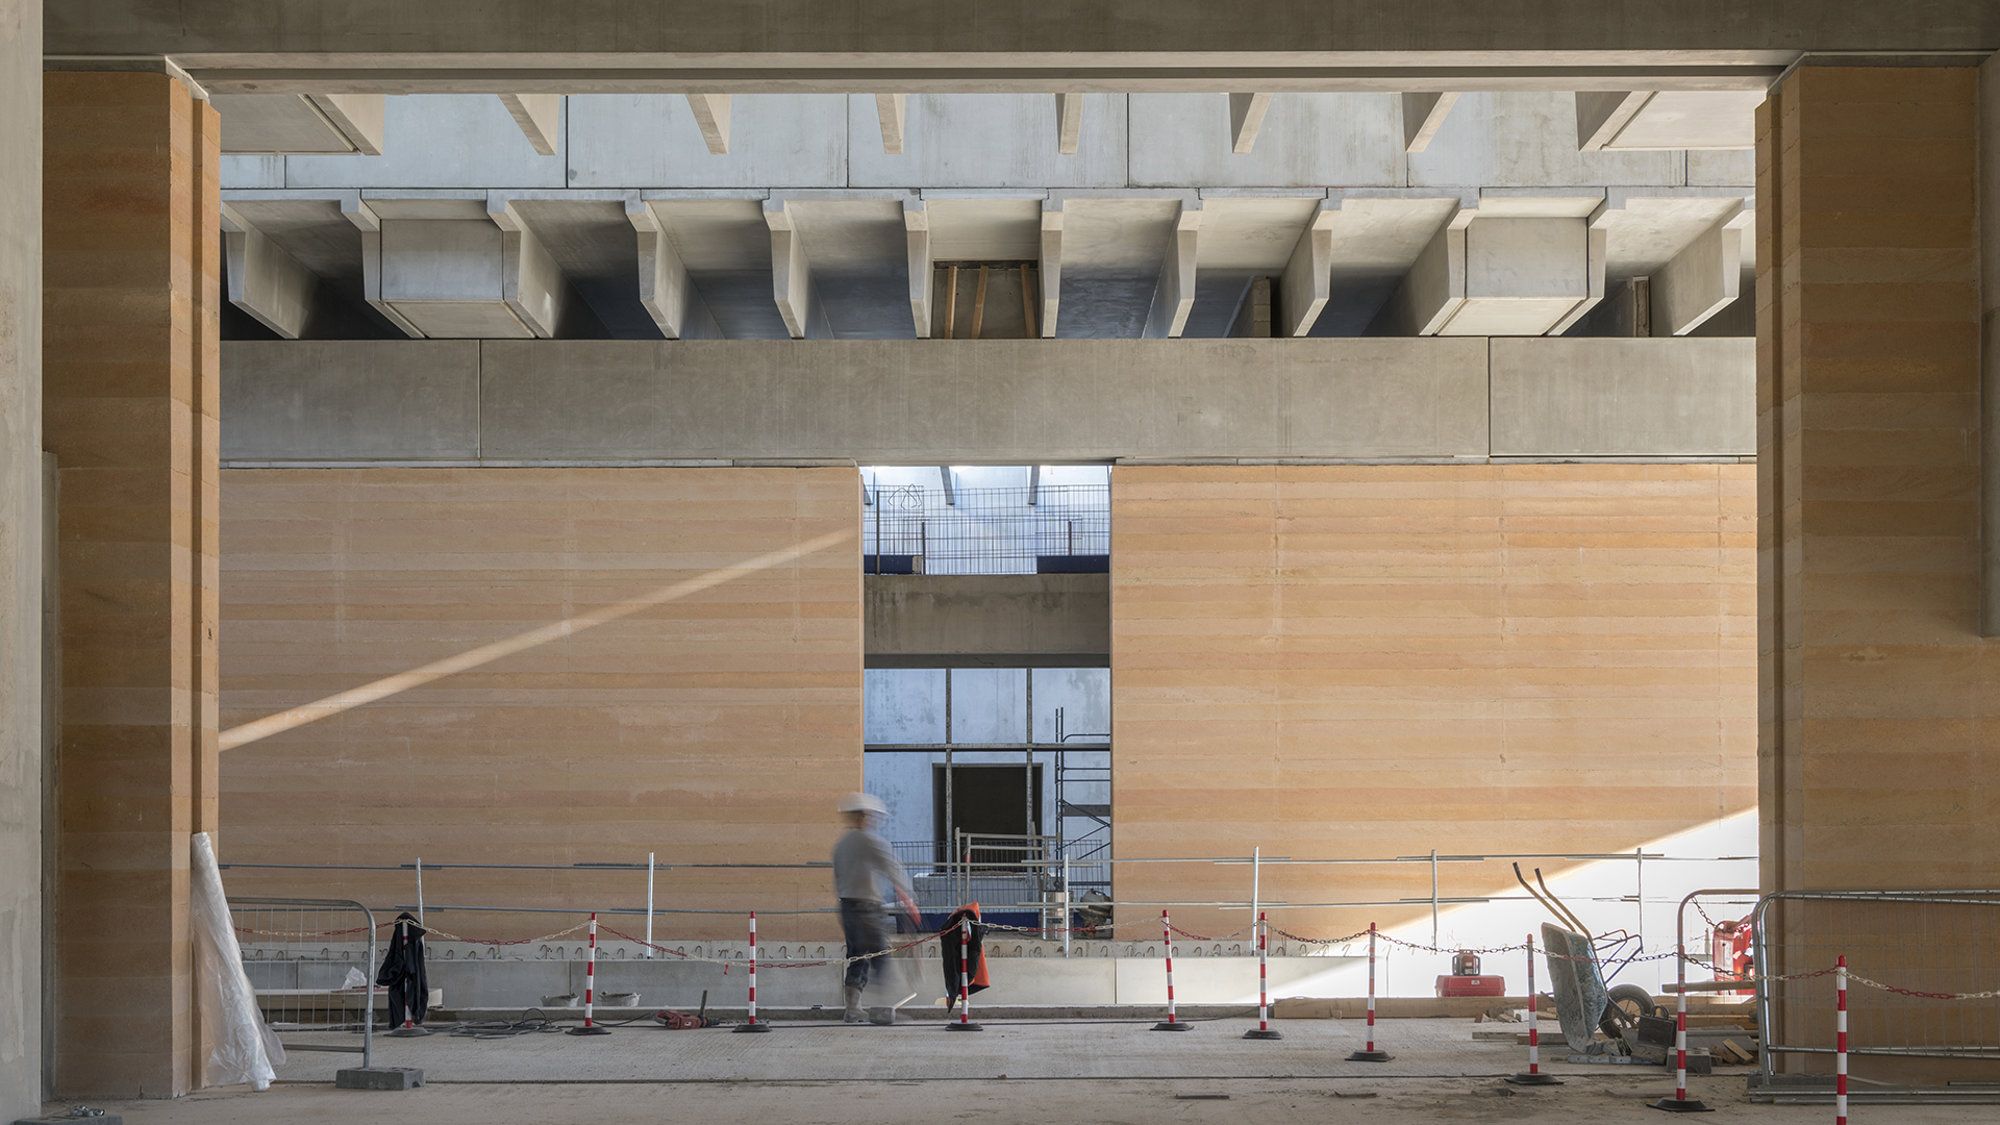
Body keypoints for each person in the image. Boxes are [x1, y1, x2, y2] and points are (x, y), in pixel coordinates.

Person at [832, 792, 920, 1025]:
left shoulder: (842, 845)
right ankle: (886, 1006)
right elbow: (892, 867)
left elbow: (839, 876)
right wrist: (908, 897)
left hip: (846, 906)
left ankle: (853, 1008)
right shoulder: (869, 841)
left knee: (858, 956)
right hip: (867, 908)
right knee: (880, 954)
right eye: (870, 815)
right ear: (863, 817)